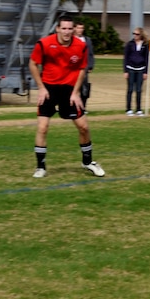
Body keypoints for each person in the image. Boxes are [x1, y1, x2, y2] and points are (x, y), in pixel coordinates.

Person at [28, 15, 106, 178]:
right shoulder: (45, 43)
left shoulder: (80, 46)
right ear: (57, 29)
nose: (67, 32)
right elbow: (33, 63)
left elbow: (82, 68)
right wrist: (41, 88)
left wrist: (76, 92)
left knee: (83, 127)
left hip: (69, 90)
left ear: (74, 29)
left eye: (70, 28)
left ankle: (88, 162)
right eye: (63, 28)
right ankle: (40, 167)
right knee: (42, 127)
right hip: (49, 89)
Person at [123, 27, 149, 116]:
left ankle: (138, 109)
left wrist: (146, 72)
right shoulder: (130, 44)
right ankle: (128, 109)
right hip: (130, 68)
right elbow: (126, 58)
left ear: (141, 35)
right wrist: (125, 71)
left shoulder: (145, 45)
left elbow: (146, 59)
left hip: (141, 69)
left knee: (138, 90)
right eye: (134, 34)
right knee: (130, 89)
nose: (135, 36)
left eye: (137, 34)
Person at [73, 21, 95, 111]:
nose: (80, 30)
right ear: (75, 28)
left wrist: (90, 66)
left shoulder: (87, 40)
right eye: (78, 28)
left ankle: (83, 107)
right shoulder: (71, 39)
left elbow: (90, 54)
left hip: (84, 68)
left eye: (81, 28)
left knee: (84, 88)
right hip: (73, 68)